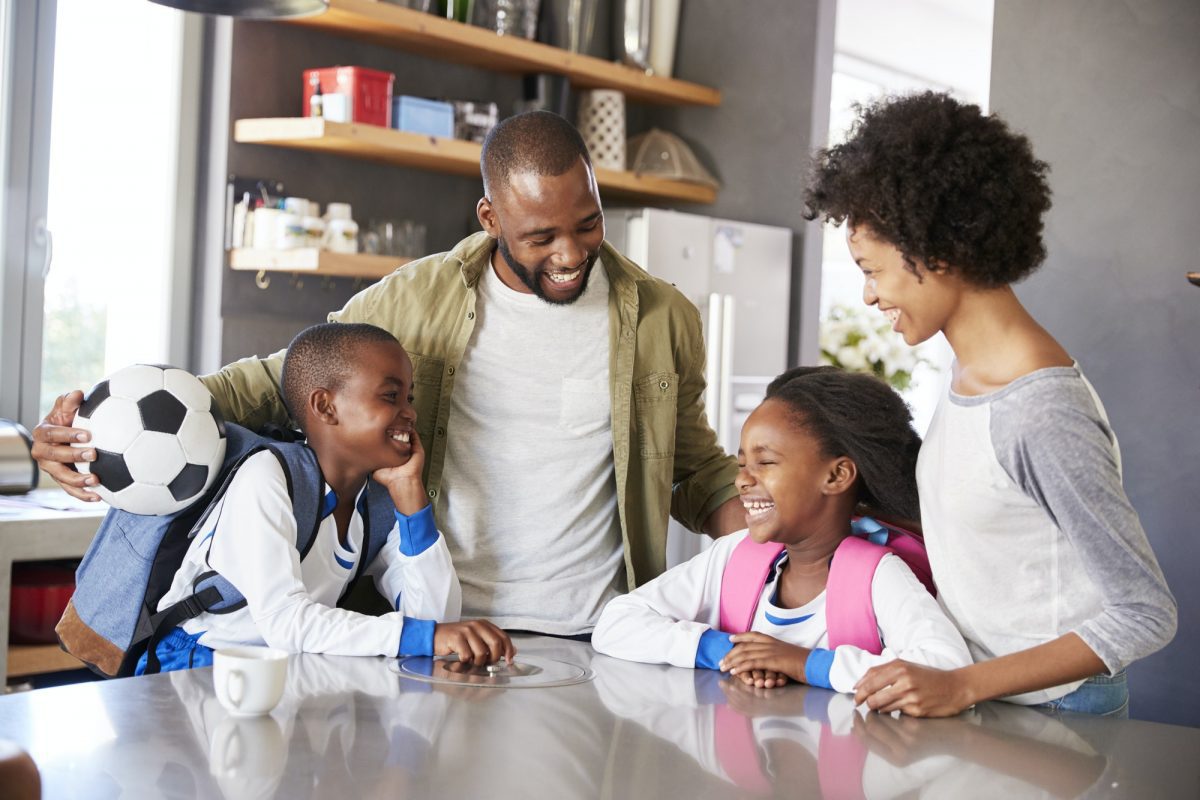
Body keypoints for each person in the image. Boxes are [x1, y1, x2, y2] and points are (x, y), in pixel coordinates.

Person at [32, 110, 745, 638]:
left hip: (594, 635)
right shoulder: (412, 299)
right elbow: (270, 383)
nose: (571, 252)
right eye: (541, 236)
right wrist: (97, 430)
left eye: (587, 224)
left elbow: (693, 468)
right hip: (425, 632)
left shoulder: (661, 317)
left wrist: (797, 532)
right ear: (490, 216)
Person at [804, 91, 1177, 717]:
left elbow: (1145, 613)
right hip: (987, 694)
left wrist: (965, 685)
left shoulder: (1039, 410)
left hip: (1057, 710)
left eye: (872, 270)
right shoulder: (969, 371)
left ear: (937, 248)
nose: (869, 296)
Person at [135, 322, 513, 673]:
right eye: (391, 396)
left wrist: (411, 497)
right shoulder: (268, 476)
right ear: (325, 406)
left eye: (409, 398)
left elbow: (435, 620)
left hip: (281, 667)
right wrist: (424, 636)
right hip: (195, 665)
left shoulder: (377, 501)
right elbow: (285, 622)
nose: (410, 413)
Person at [591, 366, 972, 694]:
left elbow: (944, 668)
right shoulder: (734, 554)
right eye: (742, 465)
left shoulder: (879, 575)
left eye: (765, 462)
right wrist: (725, 650)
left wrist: (805, 664)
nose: (742, 481)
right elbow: (616, 623)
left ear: (837, 475)